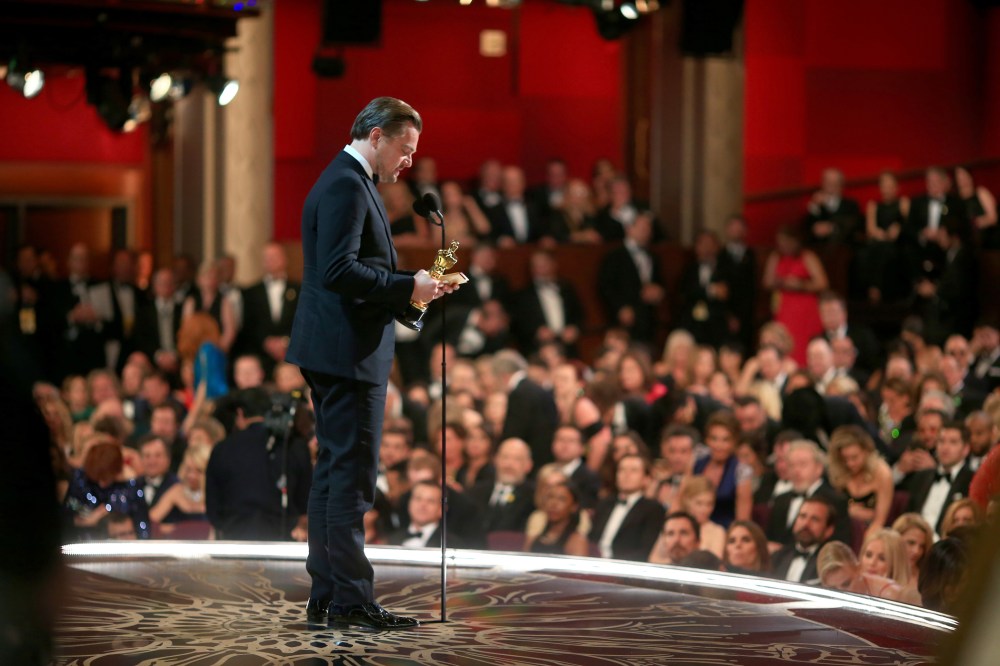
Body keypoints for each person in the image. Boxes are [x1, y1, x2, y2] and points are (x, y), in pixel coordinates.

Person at [284, 98, 454, 630]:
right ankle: (351, 598)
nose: (408, 163)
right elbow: (339, 271)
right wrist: (409, 285)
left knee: (334, 472)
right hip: (345, 353)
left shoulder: (349, 181)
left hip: (339, 348)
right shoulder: (345, 183)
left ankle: (330, 592)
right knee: (351, 477)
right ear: (376, 136)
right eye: (405, 150)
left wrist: (413, 294)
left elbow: (352, 271)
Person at [763, 226, 829, 366]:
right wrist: (781, 282)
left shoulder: (807, 256)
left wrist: (801, 285)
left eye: (786, 240)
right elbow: (767, 282)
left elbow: (822, 283)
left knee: (803, 342)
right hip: (785, 306)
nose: (784, 245)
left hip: (806, 307)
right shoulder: (776, 257)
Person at [590, 454, 665, 561]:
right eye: (622, 470)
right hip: (593, 563)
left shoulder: (653, 509)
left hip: (625, 568)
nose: (626, 474)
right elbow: (591, 539)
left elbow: (645, 550)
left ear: (646, 479)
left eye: (634, 470)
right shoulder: (604, 504)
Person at [826, 425, 894, 536]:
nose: (850, 463)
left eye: (854, 457)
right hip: (841, 530)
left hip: (872, 532)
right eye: (845, 459)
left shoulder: (882, 473)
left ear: (866, 451)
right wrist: (848, 512)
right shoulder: (838, 470)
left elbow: (879, 520)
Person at [692, 411, 752, 528]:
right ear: (707, 439)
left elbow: (742, 521)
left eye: (725, 440)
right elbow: (682, 498)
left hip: (725, 534)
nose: (718, 445)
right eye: (714, 438)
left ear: (734, 442)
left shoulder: (741, 472)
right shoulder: (697, 460)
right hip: (692, 530)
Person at [817, 541, 914, 603]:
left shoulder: (890, 595)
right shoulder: (818, 597)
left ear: (859, 569)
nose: (841, 594)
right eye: (832, 588)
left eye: (846, 584)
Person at [770, 496, 837, 585]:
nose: (806, 524)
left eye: (815, 519)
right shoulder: (778, 556)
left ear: (829, 531)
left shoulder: (831, 564)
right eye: (802, 516)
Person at [524, 480, 590, 557]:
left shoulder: (577, 541)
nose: (554, 504)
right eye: (550, 497)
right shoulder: (536, 533)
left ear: (574, 506)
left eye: (562, 499)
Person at [858, 529, 919, 603]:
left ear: (895, 564)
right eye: (868, 555)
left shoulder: (905, 600)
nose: (872, 563)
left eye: (882, 558)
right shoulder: (851, 591)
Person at [677, 476, 725, 557]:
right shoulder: (673, 526)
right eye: (699, 503)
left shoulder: (717, 532)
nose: (705, 510)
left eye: (709, 504)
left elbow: (714, 565)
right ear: (687, 501)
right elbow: (656, 559)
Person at [955, 165, 998, 249]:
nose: (963, 180)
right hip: (967, 243)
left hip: (989, 237)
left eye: (965, 176)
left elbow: (993, 218)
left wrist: (975, 223)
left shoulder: (981, 192)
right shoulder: (956, 199)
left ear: (970, 177)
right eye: (960, 178)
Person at [891, 513, 935, 591]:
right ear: (895, 539)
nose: (916, 551)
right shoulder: (881, 569)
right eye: (911, 543)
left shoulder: (927, 579)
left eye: (922, 546)